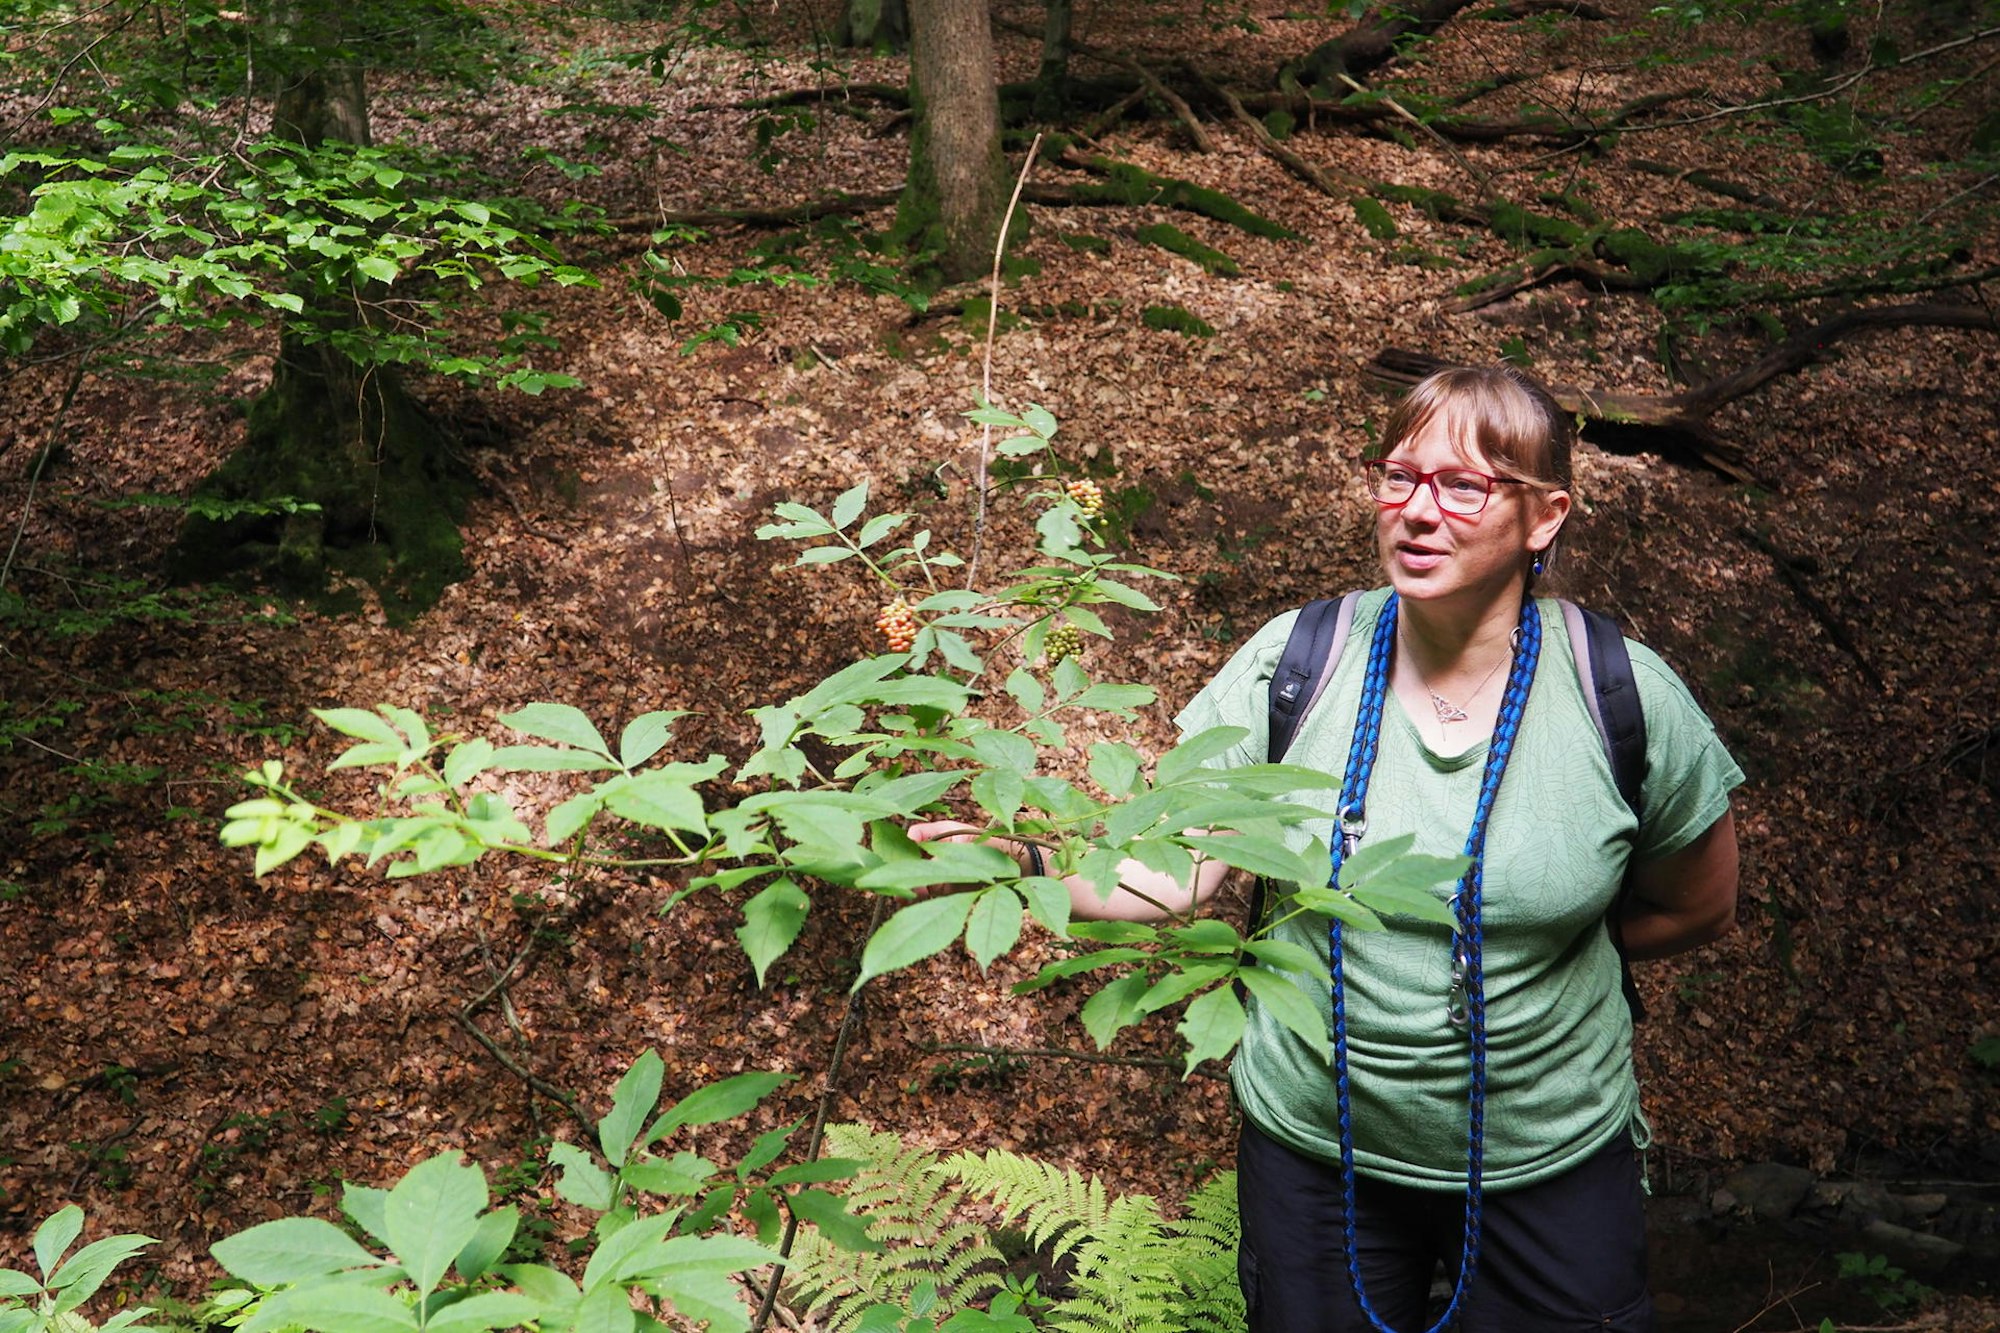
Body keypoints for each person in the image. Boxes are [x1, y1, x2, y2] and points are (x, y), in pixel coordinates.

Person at [914, 364, 1743, 1332]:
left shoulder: (1620, 696)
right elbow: (1169, 865)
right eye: (1397, 476)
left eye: (1461, 485)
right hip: (1317, 1160)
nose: (1416, 511)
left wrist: (1539, 955)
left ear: (1543, 516)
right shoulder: (1294, 666)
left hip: (1548, 1161)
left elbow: (1699, 901)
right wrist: (1012, 866)